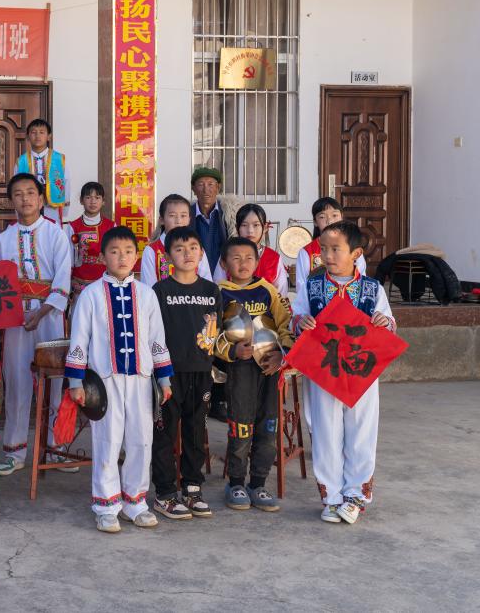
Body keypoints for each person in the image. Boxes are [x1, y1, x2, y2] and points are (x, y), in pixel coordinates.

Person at [65, 226, 174, 533]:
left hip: (141, 379)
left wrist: (164, 378)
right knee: (107, 441)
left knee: (141, 440)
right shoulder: (90, 295)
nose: (122, 257)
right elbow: (79, 339)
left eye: (128, 251)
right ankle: (106, 505)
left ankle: (135, 502)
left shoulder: (147, 295)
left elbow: (157, 339)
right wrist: (76, 382)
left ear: (136, 256)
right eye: (114, 252)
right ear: (102, 257)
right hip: (105, 380)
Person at [292, 221, 394, 525]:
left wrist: (383, 322)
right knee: (325, 432)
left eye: (336, 249)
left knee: (361, 431)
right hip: (324, 370)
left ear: (356, 253)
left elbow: (389, 323)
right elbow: (296, 317)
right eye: (324, 249)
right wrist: (301, 323)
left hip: (361, 372)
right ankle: (332, 496)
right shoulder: (312, 286)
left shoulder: (372, 288)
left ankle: (355, 496)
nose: (328, 255)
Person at [0, 173, 72, 476]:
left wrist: (41, 312)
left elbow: (63, 279)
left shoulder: (56, 234)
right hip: (15, 320)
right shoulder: (3, 239)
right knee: (16, 381)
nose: (25, 199)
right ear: (11, 201)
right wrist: (12, 311)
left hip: (49, 317)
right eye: (18, 194)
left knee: (54, 383)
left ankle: (56, 448)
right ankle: (15, 451)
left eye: (30, 193)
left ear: (41, 199)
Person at [215, 236, 294, 512]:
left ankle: (258, 483)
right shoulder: (218, 293)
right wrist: (231, 351)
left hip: (269, 370)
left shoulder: (267, 291)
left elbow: (285, 325)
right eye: (236, 258)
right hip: (239, 371)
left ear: (258, 261)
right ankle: (236, 483)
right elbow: (210, 335)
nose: (243, 263)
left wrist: (282, 354)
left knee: (268, 427)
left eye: (249, 258)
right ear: (224, 263)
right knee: (241, 426)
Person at [150, 226, 222, 521]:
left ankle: (192, 487)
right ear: (168, 257)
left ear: (202, 253)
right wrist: (159, 371)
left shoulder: (211, 291)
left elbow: (216, 331)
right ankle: (165, 493)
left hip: (201, 371)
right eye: (179, 249)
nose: (187, 253)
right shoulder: (160, 291)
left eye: (193, 247)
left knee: (195, 432)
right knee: (164, 433)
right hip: (168, 374)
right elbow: (153, 334)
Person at [213, 203, 287, 297]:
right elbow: (217, 288)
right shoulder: (228, 255)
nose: (250, 231)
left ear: (265, 228)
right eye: (244, 225)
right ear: (237, 228)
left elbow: (281, 295)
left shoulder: (274, 258)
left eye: (256, 225)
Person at [295, 197, 367, 293]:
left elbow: (362, 278)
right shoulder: (306, 252)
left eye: (334, 215)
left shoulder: (353, 247)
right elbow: (301, 287)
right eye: (322, 217)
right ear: (315, 222)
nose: (329, 221)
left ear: (342, 217)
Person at [140, 193, 213, 287]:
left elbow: (207, 284)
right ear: (161, 220)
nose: (178, 221)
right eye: (172, 216)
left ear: (189, 219)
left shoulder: (197, 248)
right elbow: (149, 288)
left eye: (183, 216)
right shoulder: (151, 250)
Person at [63, 182, 114, 307]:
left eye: (97, 198)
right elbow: (67, 260)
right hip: (78, 287)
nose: (93, 201)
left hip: (105, 286)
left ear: (103, 201)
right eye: (88, 197)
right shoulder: (72, 227)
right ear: (81, 200)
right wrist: (66, 288)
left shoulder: (112, 226)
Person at [14, 118, 70, 224]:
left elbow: (66, 182)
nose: (37, 136)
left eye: (42, 132)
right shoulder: (21, 161)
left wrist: (65, 209)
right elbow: (15, 187)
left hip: (52, 207)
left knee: (52, 231)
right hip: (29, 206)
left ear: (49, 136)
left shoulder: (59, 159)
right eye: (33, 132)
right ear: (28, 137)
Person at [190, 166, 227, 271]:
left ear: (218, 188)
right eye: (201, 185)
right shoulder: (186, 215)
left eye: (210, 184)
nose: (206, 190)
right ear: (193, 189)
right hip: (194, 274)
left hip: (224, 274)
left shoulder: (228, 215)